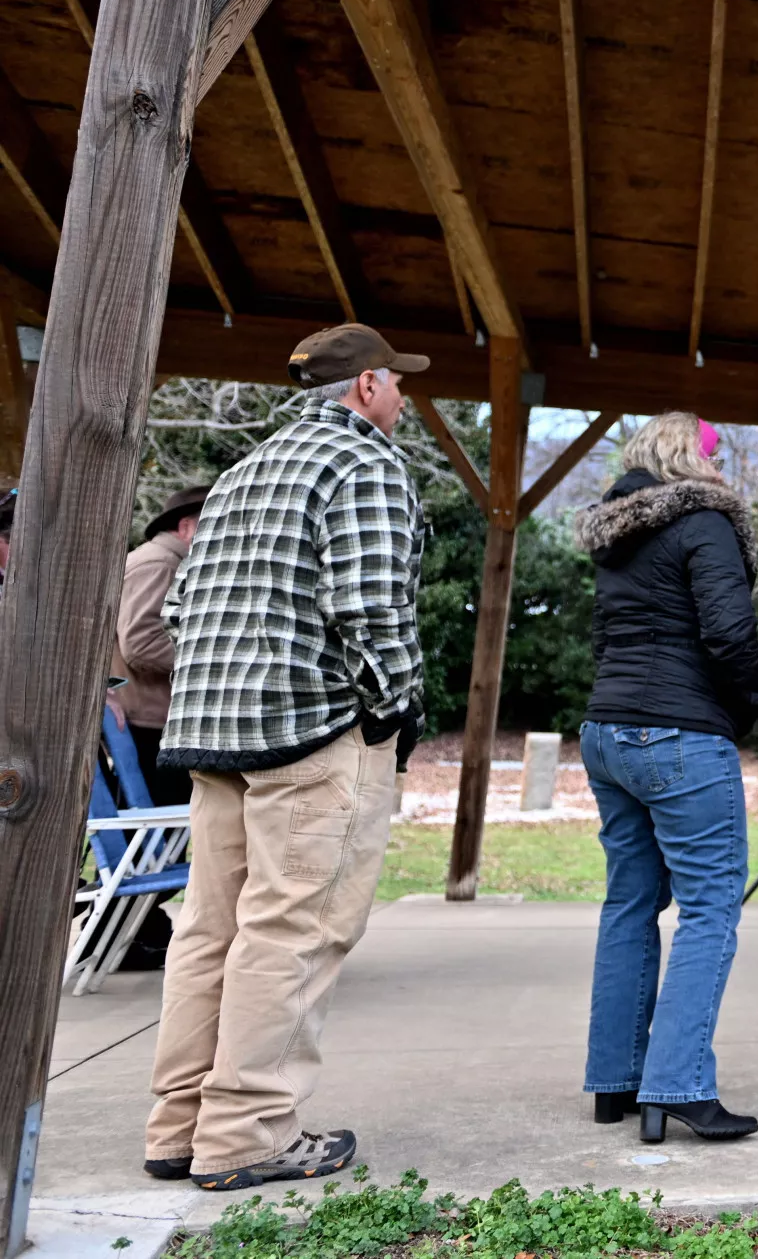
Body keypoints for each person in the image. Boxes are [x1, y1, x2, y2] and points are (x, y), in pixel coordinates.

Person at [146, 325, 430, 1191]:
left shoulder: (239, 474)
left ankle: (180, 1123)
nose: (406, 399)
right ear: (367, 387)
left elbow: (181, 605)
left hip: (212, 732)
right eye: (398, 384)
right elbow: (373, 609)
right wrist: (394, 712)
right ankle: (246, 1132)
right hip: (307, 733)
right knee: (292, 932)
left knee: (207, 930)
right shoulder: (365, 465)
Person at [574, 413, 758, 1144]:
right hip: (679, 733)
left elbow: (604, 637)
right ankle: (679, 1084)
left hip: (607, 730)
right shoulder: (705, 522)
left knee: (629, 901)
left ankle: (614, 1080)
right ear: (698, 459)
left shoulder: (617, 532)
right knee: (710, 906)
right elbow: (729, 632)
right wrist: (752, 700)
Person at [114, 486, 210, 806]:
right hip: (150, 722)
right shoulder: (160, 564)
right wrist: (209, 664)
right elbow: (141, 643)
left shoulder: (164, 561)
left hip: (153, 721)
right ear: (185, 527)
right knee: (155, 833)